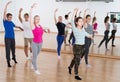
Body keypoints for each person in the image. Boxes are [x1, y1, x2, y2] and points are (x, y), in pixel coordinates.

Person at [68, 8, 92, 80]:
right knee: (78, 61)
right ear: (77, 23)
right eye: (80, 21)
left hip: (83, 46)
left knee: (75, 58)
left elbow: (86, 34)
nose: (82, 22)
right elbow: (72, 20)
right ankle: (76, 74)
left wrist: (89, 35)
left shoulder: (83, 29)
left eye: (82, 21)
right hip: (77, 47)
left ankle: (70, 67)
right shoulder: (75, 29)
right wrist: (75, 11)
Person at [30, 3, 50, 75]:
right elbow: (30, 17)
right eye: (36, 19)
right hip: (34, 43)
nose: (38, 20)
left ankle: (32, 61)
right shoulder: (33, 26)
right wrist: (31, 8)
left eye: (38, 19)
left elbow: (42, 29)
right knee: (35, 56)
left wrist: (46, 29)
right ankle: (35, 69)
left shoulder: (40, 25)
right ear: (34, 20)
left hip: (40, 43)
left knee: (36, 54)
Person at [3, 1, 23, 67]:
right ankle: (8, 61)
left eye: (11, 17)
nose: (10, 18)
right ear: (7, 17)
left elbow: (15, 26)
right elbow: (4, 12)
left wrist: (20, 27)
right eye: (9, 17)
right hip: (7, 38)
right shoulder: (5, 21)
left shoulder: (11, 22)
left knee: (13, 49)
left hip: (12, 38)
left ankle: (14, 58)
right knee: (8, 50)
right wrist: (6, 5)